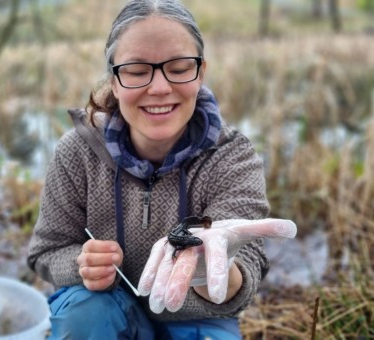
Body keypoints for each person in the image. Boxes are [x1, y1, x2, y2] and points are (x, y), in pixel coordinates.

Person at [27, 0, 296, 339]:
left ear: (201, 71)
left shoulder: (232, 156)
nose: (159, 88)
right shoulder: (76, 152)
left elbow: (249, 268)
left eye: (180, 68)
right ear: (114, 79)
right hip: (104, 309)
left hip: (197, 319)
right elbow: (45, 253)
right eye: (137, 71)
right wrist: (81, 263)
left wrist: (215, 271)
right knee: (85, 313)